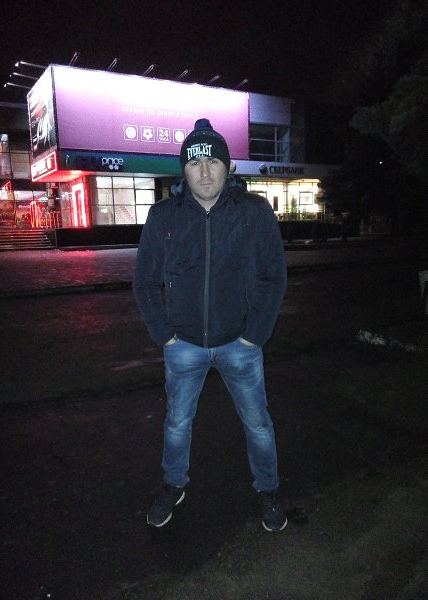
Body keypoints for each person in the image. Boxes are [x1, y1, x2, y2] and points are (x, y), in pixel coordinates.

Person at [133, 118, 288, 532]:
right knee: (177, 422)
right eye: (195, 163)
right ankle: (173, 484)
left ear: (227, 166)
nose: (204, 172)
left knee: (258, 422)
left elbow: (274, 276)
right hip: (183, 344)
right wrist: (164, 335)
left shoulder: (254, 213)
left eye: (213, 162)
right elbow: (144, 281)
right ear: (183, 170)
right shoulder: (163, 216)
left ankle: (268, 488)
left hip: (240, 343)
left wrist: (254, 334)